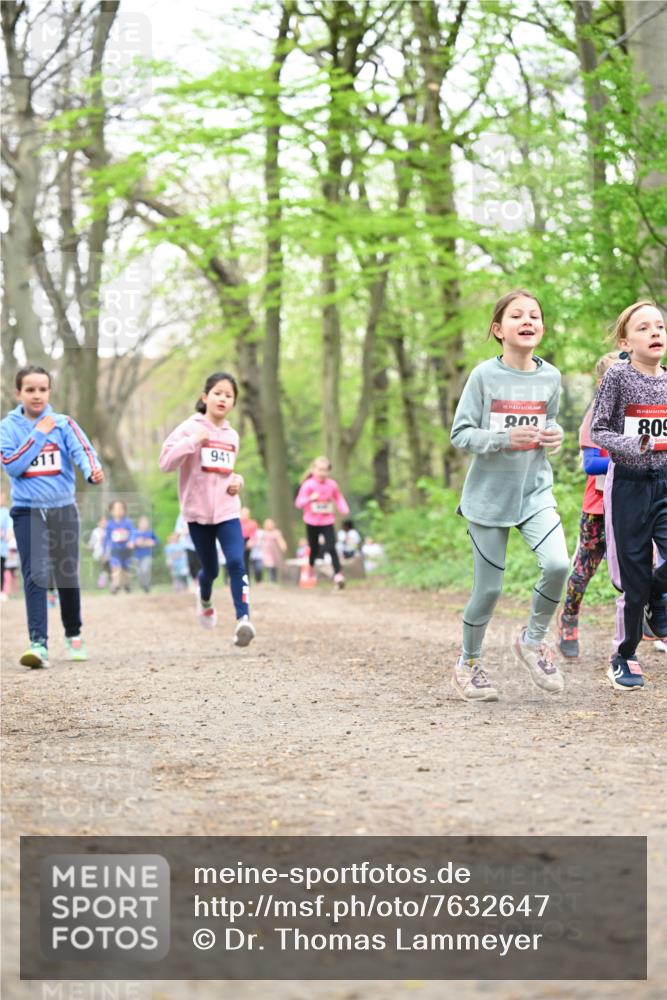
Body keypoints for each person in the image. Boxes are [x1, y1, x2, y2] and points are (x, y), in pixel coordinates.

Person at [449, 290, 569, 702]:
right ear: (499, 330)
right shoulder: (484, 376)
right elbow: (460, 433)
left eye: (534, 315)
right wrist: (502, 438)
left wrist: (556, 435)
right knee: (489, 591)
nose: (527, 320)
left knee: (557, 565)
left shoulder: (551, 377)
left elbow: (551, 422)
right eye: (516, 315)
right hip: (487, 496)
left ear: (541, 328)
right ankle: (468, 664)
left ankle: (533, 641)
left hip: (534, 490)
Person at [0, 365, 104, 667]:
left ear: (49, 392)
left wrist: (91, 471)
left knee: (66, 573)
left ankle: (74, 634)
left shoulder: (63, 423)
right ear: (18, 393)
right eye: (30, 390)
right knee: (35, 573)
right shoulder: (8, 427)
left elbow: (83, 451)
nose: (37, 395)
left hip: (62, 508)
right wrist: (37, 434)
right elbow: (13, 465)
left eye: (42, 389)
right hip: (26, 510)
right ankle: (38, 644)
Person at [591, 300, 667, 691]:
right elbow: (599, 432)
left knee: (647, 583)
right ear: (625, 341)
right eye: (644, 328)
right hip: (629, 486)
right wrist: (633, 445)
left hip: (666, 482)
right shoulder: (618, 377)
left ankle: (656, 597)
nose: (655, 332)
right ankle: (624, 655)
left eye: (660, 326)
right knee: (633, 580)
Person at [159, 371, 255, 646]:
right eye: (218, 393)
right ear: (205, 397)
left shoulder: (232, 436)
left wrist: (238, 480)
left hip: (227, 511)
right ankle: (205, 600)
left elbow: (228, 473)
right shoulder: (189, 428)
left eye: (229, 395)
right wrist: (192, 442)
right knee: (210, 570)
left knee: (237, 562)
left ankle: (243, 620)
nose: (223, 399)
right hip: (197, 514)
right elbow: (165, 463)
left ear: (234, 403)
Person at [558, 352, 622, 658]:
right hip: (598, 508)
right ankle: (568, 620)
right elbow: (591, 464)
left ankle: (649, 625)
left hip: (629, 503)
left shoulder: (638, 412)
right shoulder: (596, 413)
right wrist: (627, 454)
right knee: (585, 569)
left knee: (643, 567)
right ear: (601, 382)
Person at [295, 456, 350, 589]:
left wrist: (344, 508)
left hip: (327, 520)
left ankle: (338, 575)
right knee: (313, 548)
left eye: (325, 470)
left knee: (331, 547)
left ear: (328, 471)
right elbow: (298, 503)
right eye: (320, 470)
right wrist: (310, 499)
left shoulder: (332, 484)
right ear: (314, 470)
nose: (322, 473)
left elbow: (338, 497)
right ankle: (311, 571)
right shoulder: (308, 485)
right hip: (311, 521)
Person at [104, 500, 135, 594]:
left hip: (126, 550)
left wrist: (131, 541)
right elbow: (107, 538)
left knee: (126, 568)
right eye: (116, 509)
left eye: (121, 508)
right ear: (111, 511)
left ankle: (127, 585)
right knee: (115, 566)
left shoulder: (128, 522)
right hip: (115, 549)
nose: (118, 511)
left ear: (124, 510)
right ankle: (115, 585)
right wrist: (105, 551)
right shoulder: (110, 524)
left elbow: (133, 532)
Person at [174, 512, 201, 592]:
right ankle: (194, 582)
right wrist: (184, 531)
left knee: (200, 564)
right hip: (187, 545)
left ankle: (200, 583)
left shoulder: (199, 512)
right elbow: (178, 531)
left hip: (199, 544)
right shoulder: (181, 515)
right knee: (191, 563)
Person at [133, 515, 159, 593]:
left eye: (145, 523)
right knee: (139, 572)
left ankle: (147, 585)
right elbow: (131, 543)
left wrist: (152, 542)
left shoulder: (150, 532)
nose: (144, 524)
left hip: (147, 554)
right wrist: (136, 542)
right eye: (142, 523)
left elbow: (157, 541)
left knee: (145, 569)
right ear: (139, 524)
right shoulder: (135, 533)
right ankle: (143, 584)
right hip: (137, 556)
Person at [87, 515, 109, 588]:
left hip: (108, 552)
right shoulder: (95, 532)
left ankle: (104, 577)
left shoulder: (109, 531)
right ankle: (102, 580)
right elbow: (91, 543)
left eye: (105, 521)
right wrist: (89, 546)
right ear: (98, 523)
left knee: (109, 558)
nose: (104, 523)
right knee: (104, 558)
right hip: (98, 552)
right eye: (102, 521)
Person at [0, 489, 10, 602]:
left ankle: (2, 591)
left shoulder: (5, 512)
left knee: (1, 570)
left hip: (2, 548)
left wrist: (4, 534)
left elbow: (9, 529)